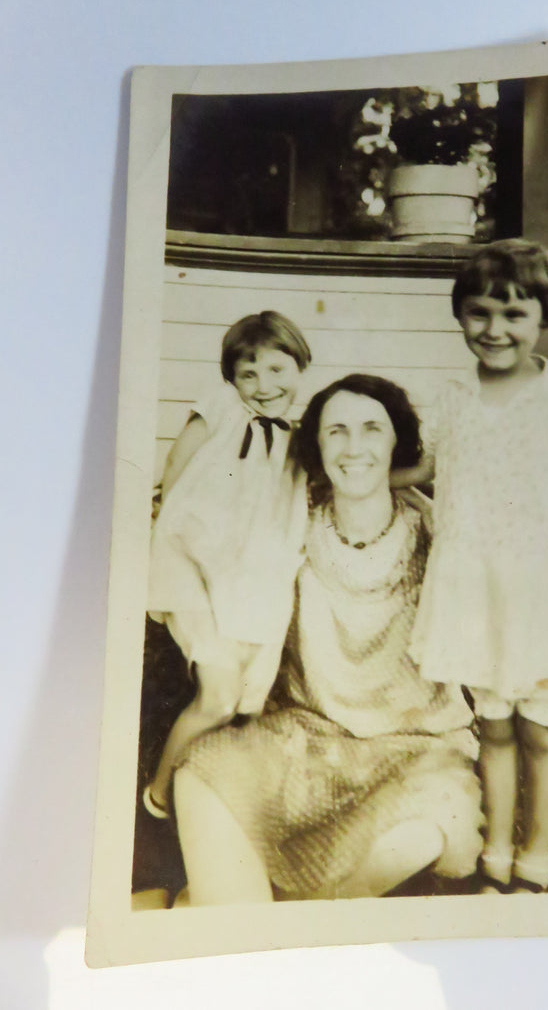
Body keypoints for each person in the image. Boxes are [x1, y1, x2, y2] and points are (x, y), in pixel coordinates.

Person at [173, 374, 483, 904]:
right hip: (302, 738)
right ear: (316, 448)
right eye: (336, 431)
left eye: (371, 429)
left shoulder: (438, 534)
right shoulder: (289, 528)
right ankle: (235, 926)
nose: (354, 446)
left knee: (417, 836)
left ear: (396, 444)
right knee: (203, 773)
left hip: (420, 750)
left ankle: (228, 916)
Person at [395, 239, 548, 893]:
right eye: (478, 313)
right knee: (494, 725)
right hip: (474, 590)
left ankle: (536, 852)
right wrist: (358, 475)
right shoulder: (448, 396)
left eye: (513, 314)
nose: (494, 330)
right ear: (461, 315)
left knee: (544, 729)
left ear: (542, 317)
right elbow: (428, 467)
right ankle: (495, 849)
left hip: (542, 592)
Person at [142, 311, 312, 819]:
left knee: (247, 704)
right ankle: (158, 797)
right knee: (217, 697)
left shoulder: (298, 437)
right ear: (232, 378)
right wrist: (166, 530)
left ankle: (217, 800)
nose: (264, 386)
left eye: (278, 370)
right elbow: (175, 467)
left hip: (252, 581)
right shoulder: (220, 407)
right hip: (190, 568)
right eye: (249, 374)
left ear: (300, 366)